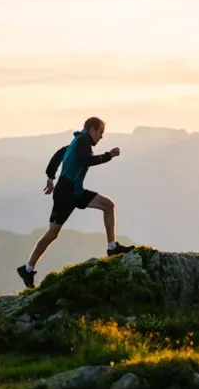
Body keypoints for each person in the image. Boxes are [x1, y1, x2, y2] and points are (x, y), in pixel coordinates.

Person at [16, 116, 134, 289]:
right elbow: (85, 161)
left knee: (108, 205)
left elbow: (59, 154)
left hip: (74, 191)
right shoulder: (82, 141)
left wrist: (50, 176)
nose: (101, 136)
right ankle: (27, 268)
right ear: (92, 130)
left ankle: (112, 247)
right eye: (100, 132)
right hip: (66, 193)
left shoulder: (78, 140)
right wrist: (109, 155)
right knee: (52, 233)